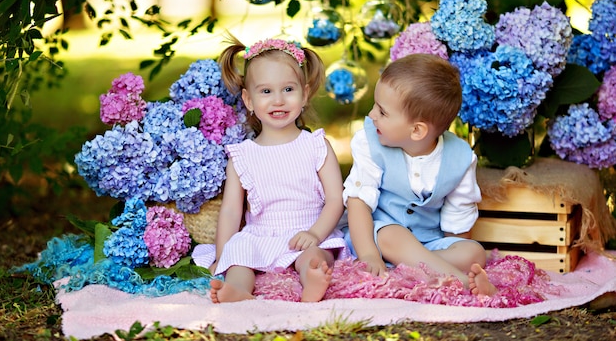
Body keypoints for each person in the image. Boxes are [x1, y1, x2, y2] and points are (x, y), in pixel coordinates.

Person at [192, 35, 350, 303]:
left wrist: (316, 233)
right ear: (249, 100)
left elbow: (336, 199)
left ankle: (312, 280)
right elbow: (231, 211)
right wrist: (223, 255)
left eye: (288, 89)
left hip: (308, 230)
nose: (278, 100)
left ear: (305, 93)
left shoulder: (316, 145)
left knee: (315, 257)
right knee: (239, 261)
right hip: (261, 235)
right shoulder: (243, 155)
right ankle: (239, 290)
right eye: (266, 92)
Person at [341, 54, 497, 296]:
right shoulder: (368, 143)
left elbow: (458, 220)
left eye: (382, 112)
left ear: (416, 130)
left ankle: (409, 271)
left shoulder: (460, 157)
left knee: (474, 253)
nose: (372, 115)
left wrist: (458, 248)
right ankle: (460, 281)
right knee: (394, 234)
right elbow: (358, 202)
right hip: (375, 237)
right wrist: (369, 255)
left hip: (429, 242)